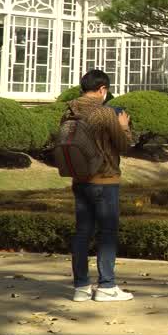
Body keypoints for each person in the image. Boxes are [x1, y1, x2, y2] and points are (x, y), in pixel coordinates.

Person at [66, 69, 134, 303]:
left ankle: (81, 287)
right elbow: (124, 146)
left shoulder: (69, 111)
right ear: (103, 89)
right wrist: (123, 125)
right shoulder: (106, 114)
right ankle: (106, 286)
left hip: (79, 179)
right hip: (105, 180)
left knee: (82, 232)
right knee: (107, 233)